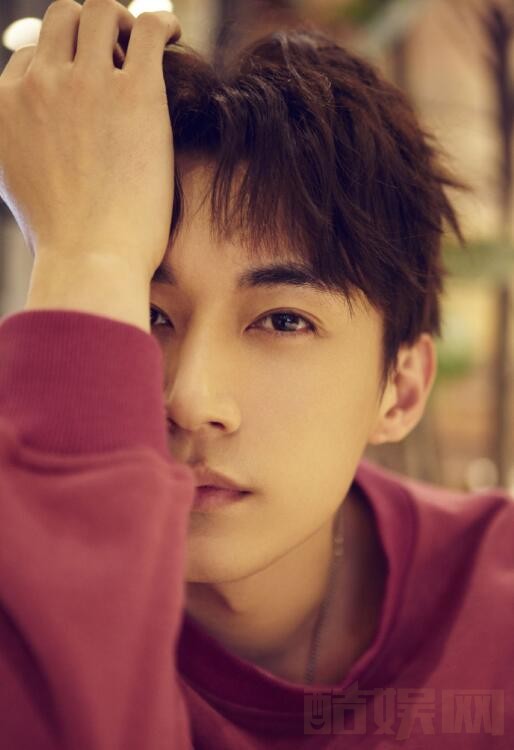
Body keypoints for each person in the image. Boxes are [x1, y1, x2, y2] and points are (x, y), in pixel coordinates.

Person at [0, 0, 512, 747]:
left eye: (283, 321)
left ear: (400, 390)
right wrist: (86, 254)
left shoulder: (495, 610)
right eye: (146, 313)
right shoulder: (19, 588)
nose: (190, 399)